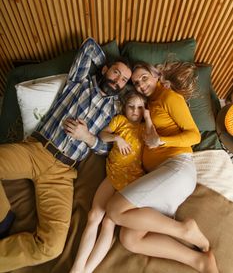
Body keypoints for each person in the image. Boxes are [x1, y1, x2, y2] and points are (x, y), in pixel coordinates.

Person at [0, 37, 132, 272]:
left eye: (124, 80)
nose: (118, 81)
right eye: (115, 73)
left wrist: (88, 137)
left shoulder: (115, 111)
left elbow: (107, 149)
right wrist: (106, 66)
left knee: (52, 246)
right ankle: (2, 219)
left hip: (62, 174)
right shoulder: (79, 82)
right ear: (105, 70)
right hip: (37, 150)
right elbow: (89, 45)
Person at [104, 62, 219, 273]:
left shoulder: (169, 97)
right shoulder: (147, 106)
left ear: (156, 75)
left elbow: (194, 135)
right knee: (129, 239)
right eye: (136, 82)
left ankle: (184, 230)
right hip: (163, 177)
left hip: (176, 167)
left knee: (113, 210)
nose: (140, 85)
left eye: (144, 78)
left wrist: (161, 142)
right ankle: (198, 261)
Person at [70, 90, 155, 273]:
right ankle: (77, 268)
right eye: (131, 107)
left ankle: (87, 270)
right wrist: (116, 137)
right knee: (94, 216)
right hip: (114, 174)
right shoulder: (120, 121)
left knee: (109, 221)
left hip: (133, 182)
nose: (135, 111)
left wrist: (147, 117)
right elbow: (102, 135)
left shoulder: (145, 129)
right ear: (124, 108)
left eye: (140, 108)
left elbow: (153, 140)